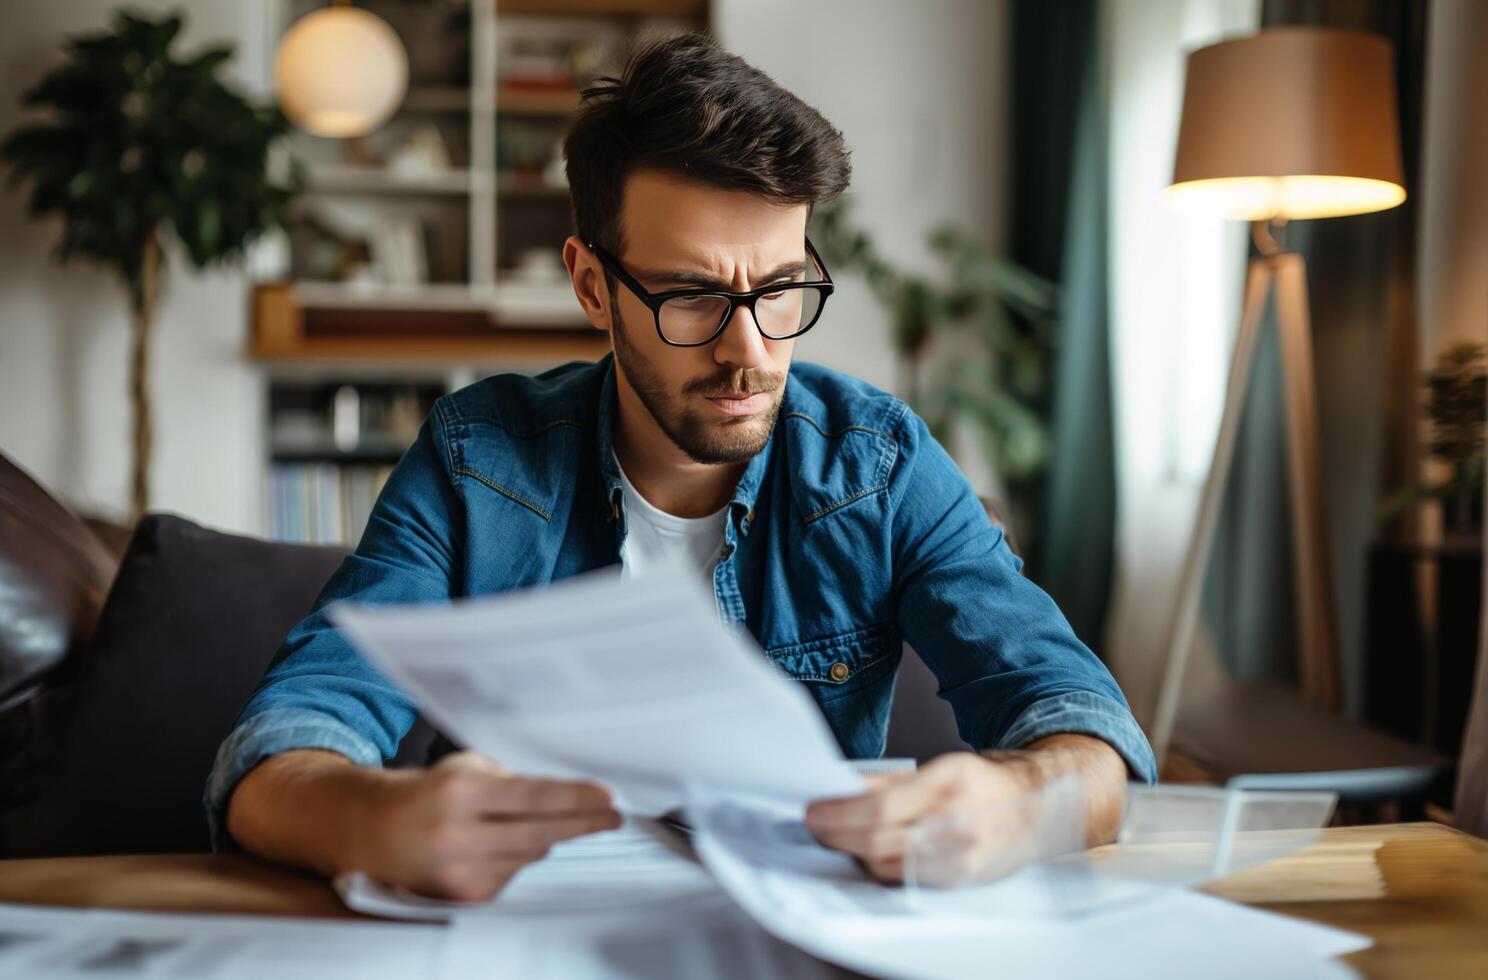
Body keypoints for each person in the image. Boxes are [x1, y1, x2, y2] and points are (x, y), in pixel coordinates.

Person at [208, 33, 1155, 901]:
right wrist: (375, 819)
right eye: (694, 296)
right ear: (591, 285)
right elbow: (283, 744)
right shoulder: (477, 459)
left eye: (782, 289)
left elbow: (1083, 725)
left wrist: (1021, 799)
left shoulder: (879, 462)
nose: (750, 350)